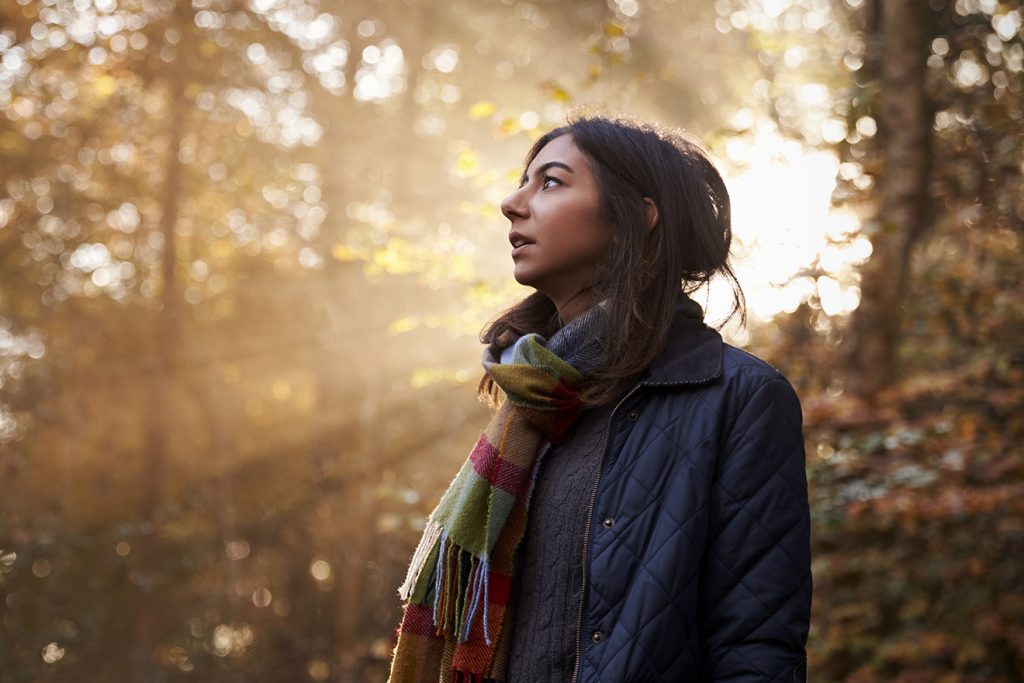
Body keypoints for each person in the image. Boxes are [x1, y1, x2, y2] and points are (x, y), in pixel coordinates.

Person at [387, 114, 811, 683]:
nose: (512, 203)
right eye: (524, 181)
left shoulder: (739, 398)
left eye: (551, 182)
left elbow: (755, 646)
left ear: (636, 217)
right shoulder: (533, 400)